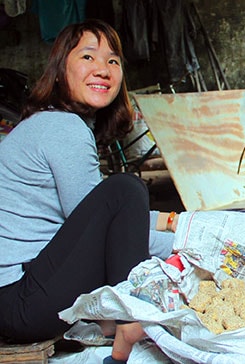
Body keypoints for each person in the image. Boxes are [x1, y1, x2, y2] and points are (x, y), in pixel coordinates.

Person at [0, 19, 179, 363]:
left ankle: (115, 321)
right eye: (88, 57)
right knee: (125, 188)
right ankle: (127, 320)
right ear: (58, 70)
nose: (103, 69)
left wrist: (177, 224)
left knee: (125, 200)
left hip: (18, 296)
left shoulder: (48, 123)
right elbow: (113, 227)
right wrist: (187, 242)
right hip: (18, 301)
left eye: (113, 61)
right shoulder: (63, 127)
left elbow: (115, 223)